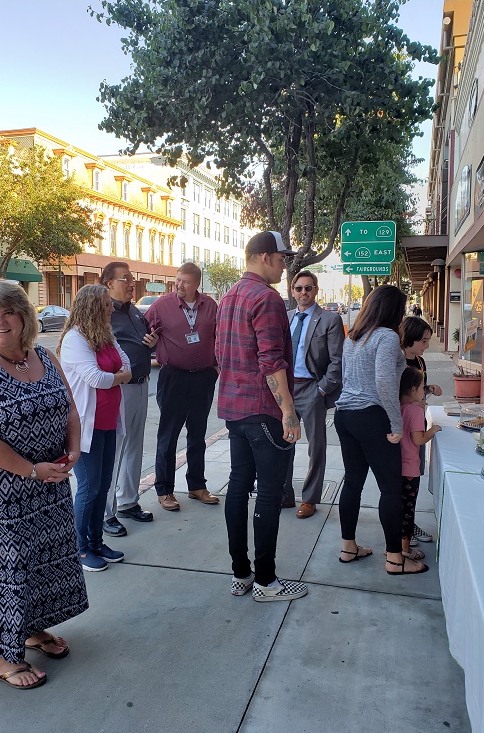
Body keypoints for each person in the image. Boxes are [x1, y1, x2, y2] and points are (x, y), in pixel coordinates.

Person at [0, 279, 88, 690]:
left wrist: (73, 450)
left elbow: (69, 409)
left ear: (24, 317)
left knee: (38, 564)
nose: (0, 321)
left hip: (46, 486)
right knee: (5, 571)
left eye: (8, 312)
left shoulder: (44, 356)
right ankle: (2, 659)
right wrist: (32, 470)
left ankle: (30, 630)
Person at [216, 231, 308, 602]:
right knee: (269, 493)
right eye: (282, 259)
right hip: (263, 411)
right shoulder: (266, 298)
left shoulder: (229, 296)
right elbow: (272, 361)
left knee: (238, 486)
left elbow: (220, 354)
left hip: (235, 409)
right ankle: (266, 581)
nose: (285, 266)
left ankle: (241, 574)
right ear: (266, 257)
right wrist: (288, 411)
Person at [334, 285, 428, 575]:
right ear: (393, 310)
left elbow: (348, 377)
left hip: (345, 414)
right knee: (391, 488)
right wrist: (396, 423)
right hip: (372, 416)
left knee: (353, 482)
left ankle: (348, 547)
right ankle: (395, 559)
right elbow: (385, 382)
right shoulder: (387, 337)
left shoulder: (354, 336)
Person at [59, 285, 132, 572]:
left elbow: (127, 365)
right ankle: (80, 549)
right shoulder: (75, 339)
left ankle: (96, 542)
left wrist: (117, 375)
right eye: (106, 304)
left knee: (102, 487)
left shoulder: (105, 335)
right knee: (89, 488)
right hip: (84, 427)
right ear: (92, 308)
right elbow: (96, 379)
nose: (112, 308)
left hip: (108, 422)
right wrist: (119, 377)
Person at [145, 262, 219, 511]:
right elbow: (141, 331)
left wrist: (216, 366)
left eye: (185, 281)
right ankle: (164, 489)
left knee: (198, 434)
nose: (179, 285)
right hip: (173, 377)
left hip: (203, 377)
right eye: (177, 280)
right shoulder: (161, 305)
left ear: (197, 283)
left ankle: (197, 486)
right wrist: (150, 342)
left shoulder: (210, 306)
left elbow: (220, 337)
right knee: (169, 435)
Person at [100, 262, 158, 537]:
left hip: (141, 384)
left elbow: (143, 342)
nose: (131, 284)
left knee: (134, 445)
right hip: (119, 389)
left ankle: (128, 502)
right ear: (109, 283)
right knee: (114, 450)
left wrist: (152, 342)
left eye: (131, 279)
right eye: (125, 279)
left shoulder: (134, 311)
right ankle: (106, 513)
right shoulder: (104, 314)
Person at [283, 270, 344, 517]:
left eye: (308, 288)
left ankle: (310, 498)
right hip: (286, 388)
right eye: (299, 288)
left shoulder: (329, 319)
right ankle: (284, 494)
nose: (303, 292)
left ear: (316, 290)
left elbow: (337, 360)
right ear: (292, 291)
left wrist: (322, 389)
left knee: (315, 446)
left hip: (312, 388)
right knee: (283, 442)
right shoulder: (286, 317)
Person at [401, 315, 443, 544]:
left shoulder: (420, 361)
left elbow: (417, 388)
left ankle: (408, 525)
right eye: (424, 341)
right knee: (402, 483)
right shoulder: (396, 361)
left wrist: (428, 389)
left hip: (417, 422)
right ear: (410, 338)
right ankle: (402, 532)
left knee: (413, 478)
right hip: (401, 428)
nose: (427, 345)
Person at [399, 366, 441, 560]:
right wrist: (432, 430)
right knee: (408, 510)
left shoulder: (398, 407)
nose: (424, 392)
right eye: (422, 387)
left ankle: (393, 545)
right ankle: (405, 549)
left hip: (396, 467)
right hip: (410, 469)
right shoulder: (415, 411)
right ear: (413, 390)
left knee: (397, 508)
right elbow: (418, 439)